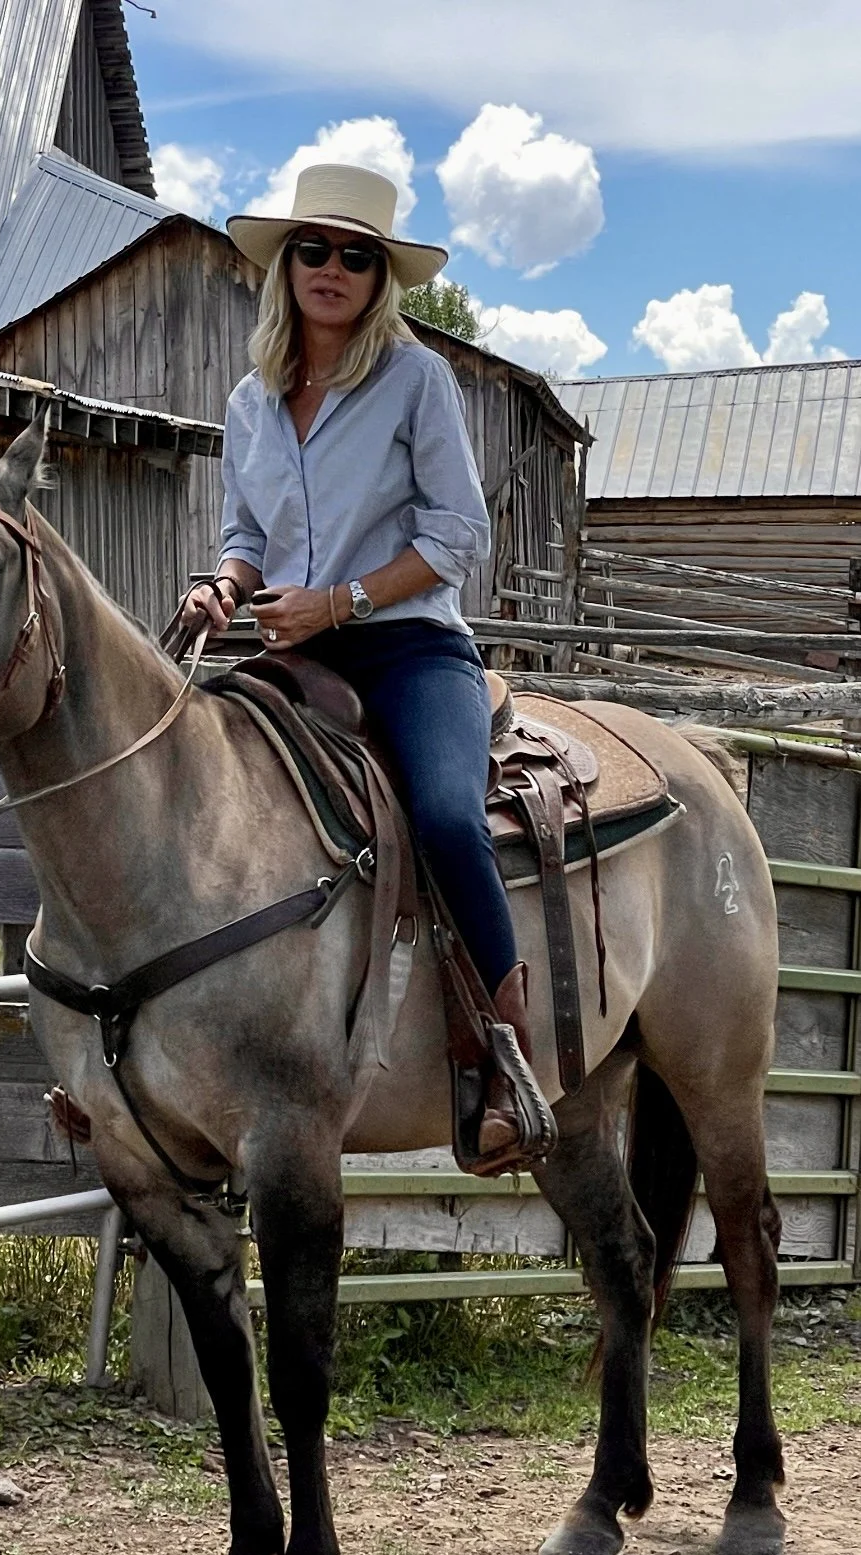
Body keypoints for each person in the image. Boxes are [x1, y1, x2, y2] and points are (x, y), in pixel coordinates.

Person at [182, 162, 545, 1172]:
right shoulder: (250, 402)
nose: (331, 268)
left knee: (442, 814)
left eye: (356, 254)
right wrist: (224, 585)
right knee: (188, 795)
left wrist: (342, 600)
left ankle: (506, 1050)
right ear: (285, 265)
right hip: (290, 646)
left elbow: (459, 532)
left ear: (380, 277)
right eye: (314, 249)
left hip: (407, 645)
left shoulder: (415, 378)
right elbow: (247, 531)